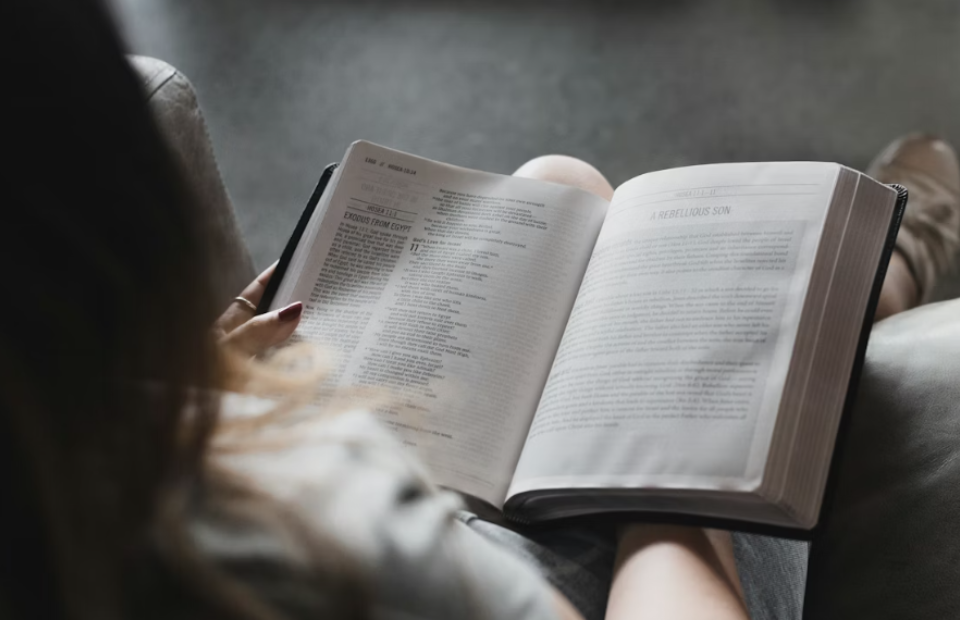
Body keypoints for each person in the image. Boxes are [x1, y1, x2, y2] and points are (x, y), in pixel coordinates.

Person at [3, 2, 958, 620]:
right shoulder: (311, 531)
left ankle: (877, 270)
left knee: (558, 189)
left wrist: (194, 392)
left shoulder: (79, 468)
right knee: (728, 346)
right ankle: (891, 268)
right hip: (597, 582)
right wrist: (661, 486)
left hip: (422, 516)